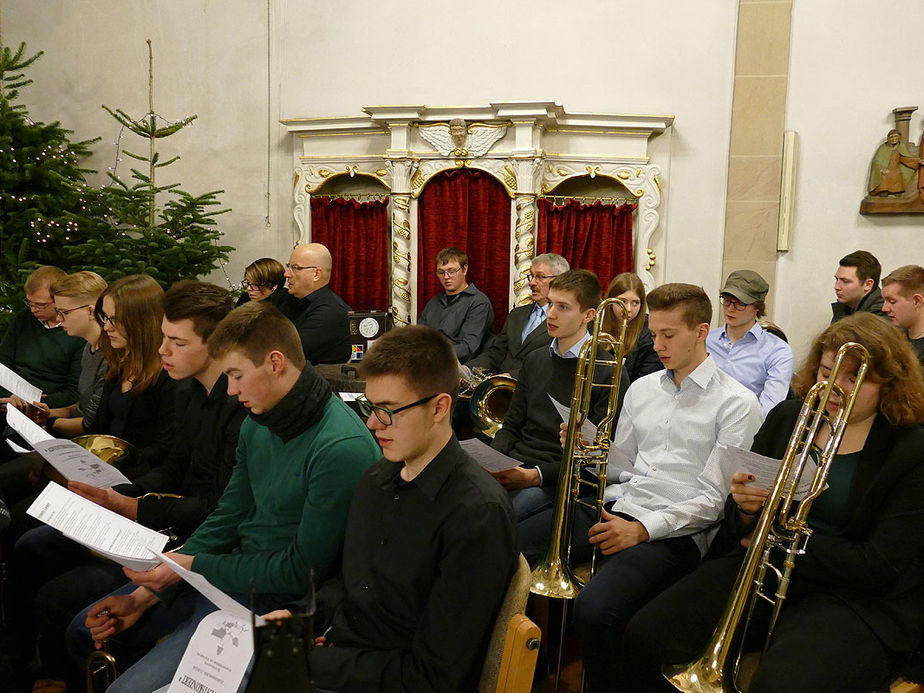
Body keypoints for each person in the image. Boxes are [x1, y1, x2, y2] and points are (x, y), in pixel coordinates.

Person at [66, 301, 380, 693]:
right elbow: (229, 513)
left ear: (276, 363)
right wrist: (151, 592)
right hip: (229, 575)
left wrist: (192, 564)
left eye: (235, 375)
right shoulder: (261, 418)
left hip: (276, 601)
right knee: (83, 630)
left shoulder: (340, 447)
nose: (230, 390)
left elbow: (301, 572)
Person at [624, 313, 924, 693]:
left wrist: (780, 537)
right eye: (827, 371)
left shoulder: (910, 450)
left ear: (888, 385)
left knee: (781, 685)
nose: (835, 388)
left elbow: (879, 565)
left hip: (853, 598)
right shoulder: (788, 418)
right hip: (765, 566)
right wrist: (748, 509)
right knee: (646, 633)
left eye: (854, 379)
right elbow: (738, 524)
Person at [518, 283, 763, 693]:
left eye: (670, 335)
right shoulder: (643, 388)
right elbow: (622, 467)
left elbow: (713, 501)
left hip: (674, 532)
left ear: (702, 332)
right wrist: (586, 447)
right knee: (510, 543)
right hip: (618, 505)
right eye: (654, 333)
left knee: (596, 609)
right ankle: (532, 671)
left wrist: (643, 530)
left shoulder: (737, 404)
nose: (658, 344)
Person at [16, 280, 247, 691]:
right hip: (173, 531)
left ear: (215, 344)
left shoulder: (236, 406)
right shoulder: (193, 392)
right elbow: (172, 469)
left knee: (78, 620)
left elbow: (217, 506)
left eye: (175, 341)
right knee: (38, 549)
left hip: (193, 546)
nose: (163, 351)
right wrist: (117, 495)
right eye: (163, 339)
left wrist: (132, 506)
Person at [262, 325, 518, 692]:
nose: (372, 423)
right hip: (347, 658)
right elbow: (352, 584)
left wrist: (314, 663)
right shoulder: (376, 479)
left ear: (439, 407)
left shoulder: (476, 515)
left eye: (388, 411)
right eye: (370, 406)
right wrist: (301, 617)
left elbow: (431, 677)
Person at [491, 269, 623, 520]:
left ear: (588, 315)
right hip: (517, 462)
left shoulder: (607, 371)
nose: (550, 314)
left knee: (499, 518)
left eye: (563, 307)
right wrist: (495, 462)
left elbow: (598, 457)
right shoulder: (535, 359)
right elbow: (511, 425)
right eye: (550, 303)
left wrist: (535, 475)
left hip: (559, 478)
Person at [82, 274, 178, 479]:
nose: (106, 327)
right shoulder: (120, 362)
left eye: (114, 320)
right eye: (105, 318)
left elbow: (166, 448)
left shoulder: (169, 376)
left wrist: (115, 462)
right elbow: (97, 428)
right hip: (102, 470)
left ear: (141, 322)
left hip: (136, 477)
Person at [11, 271, 109, 437]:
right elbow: (80, 407)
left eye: (65, 312)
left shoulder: (109, 358)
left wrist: (47, 422)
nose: (59, 318)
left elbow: (91, 425)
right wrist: (49, 413)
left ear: (91, 311)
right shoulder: (89, 348)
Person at [463, 253, 569, 378]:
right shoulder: (516, 314)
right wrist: (467, 369)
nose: (532, 283)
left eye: (540, 277)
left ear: (559, 280)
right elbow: (496, 354)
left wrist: (511, 376)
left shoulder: (567, 319)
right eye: (531, 276)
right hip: (501, 389)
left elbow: (556, 364)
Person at [706, 269, 794, 415]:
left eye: (740, 303)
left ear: (757, 306)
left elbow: (769, 409)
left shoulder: (778, 351)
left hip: (746, 426)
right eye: (727, 300)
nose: (730, 309)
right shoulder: (705, 339)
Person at [0, 265, 84, 411]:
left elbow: (73, 392)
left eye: (40, 305)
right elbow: (3, 361)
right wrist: (10, 397)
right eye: (30, 303)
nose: (33, 309)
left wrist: (28, 402)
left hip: (46, 406)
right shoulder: (25, 318)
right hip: (10, 397)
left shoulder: (76, 331)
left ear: (59, 299)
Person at [418, 247, 495, 361]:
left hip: (459, 368)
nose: (446, 277)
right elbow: (418, 337)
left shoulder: (479, 302)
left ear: (464, 270)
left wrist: (431, 355)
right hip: (428, 364)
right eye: (441, 272)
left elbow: (467, 348)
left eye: (452, 271)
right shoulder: (433, 302)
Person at [281, 242, 352, 364]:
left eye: (295, 268)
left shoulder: (330, 312)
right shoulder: (293, 301)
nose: (286, 274)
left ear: (316, 274)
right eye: (288, 266)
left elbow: (287, 353)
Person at [603, 271, 663, 383]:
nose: (628, 309)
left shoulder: (650, 334)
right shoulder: (595, 326)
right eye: (622, 301)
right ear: (610, 300)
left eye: (635, 303)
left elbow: (646, 381)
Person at [881, 264, 924, 368]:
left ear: (917, 301)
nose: (884, 308)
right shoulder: (894, 340)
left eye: (892, 301)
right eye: (884, 301)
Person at [831, 250, 886, 323]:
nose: (837, 287)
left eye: (845, 281)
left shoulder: (880, 317)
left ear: (868, 284)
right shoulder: (846, 309)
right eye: (837, 279)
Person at [868, 128, 920, 196]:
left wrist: (918, 161)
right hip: (884, 169)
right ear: (888, 139)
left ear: (899, 138)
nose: (893, 139)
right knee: (885, 175)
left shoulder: (901, 148)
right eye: (891, 137)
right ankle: (883, 191)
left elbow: (906, 159)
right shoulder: (883, 148)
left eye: (895, 136)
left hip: (895, 169)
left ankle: (896, 191)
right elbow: (877, 161)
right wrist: (881, 169)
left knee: (896, 175)